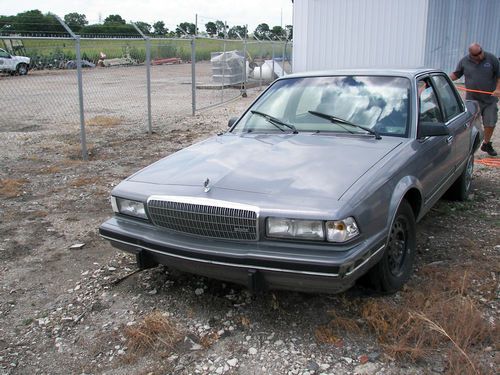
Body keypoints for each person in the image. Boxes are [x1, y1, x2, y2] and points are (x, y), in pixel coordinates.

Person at [449, 43, 500, 156]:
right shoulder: (464, 61)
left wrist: (498, 89)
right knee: (470, 124)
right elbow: (456, 74)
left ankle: (486, 144)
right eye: (477, 54)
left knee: (490, 122)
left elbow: (499, 76)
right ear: (471, 55)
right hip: (472, 99)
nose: (480, 56)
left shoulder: (492, 59)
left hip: (489, 99)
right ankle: (467, 146)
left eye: (481, 52)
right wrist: (444, 80)